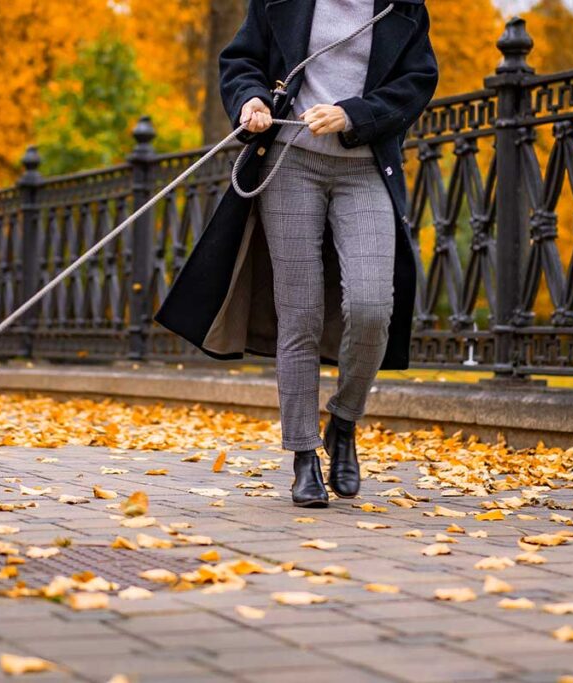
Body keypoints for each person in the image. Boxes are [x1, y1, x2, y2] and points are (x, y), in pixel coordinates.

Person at [153, 0, 438, 508]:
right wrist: (251, 101)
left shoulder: (403, 6)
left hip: (364, 167)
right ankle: (303, 454)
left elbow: (418, 82)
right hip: (289, 167)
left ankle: (344, 422)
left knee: (373, 308)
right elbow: (241, 61)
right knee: (299, 315)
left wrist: (355, 113)